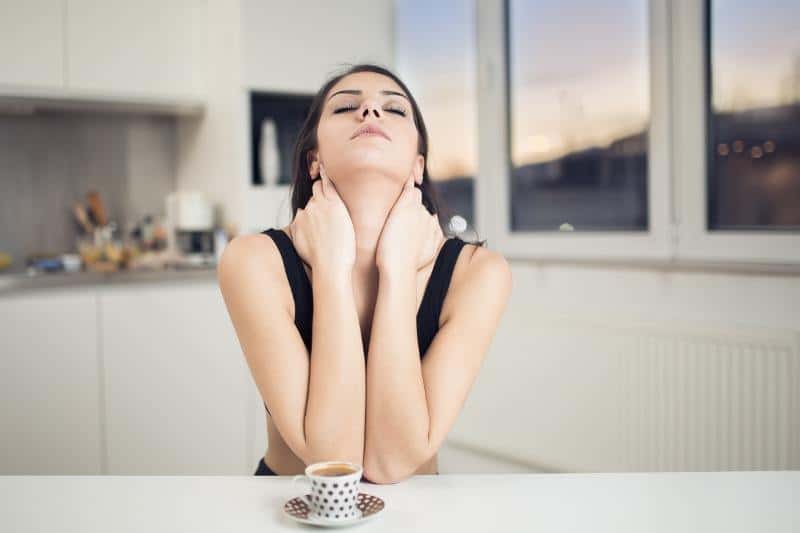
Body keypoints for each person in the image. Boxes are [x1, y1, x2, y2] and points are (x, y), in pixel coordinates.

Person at [218, 63, 511, 484]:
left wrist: (397, 269)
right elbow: (334, 460)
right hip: (291, 506)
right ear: (314, 159)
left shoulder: (478, 274)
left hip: (421, 511)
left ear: (418, 166)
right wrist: (331, 269)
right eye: (345, 107)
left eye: (394, 109)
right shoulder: (253, 261)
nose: (370, 111)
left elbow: (391, 463)